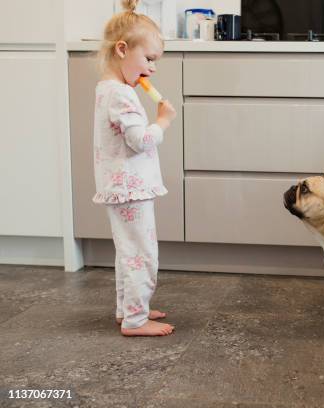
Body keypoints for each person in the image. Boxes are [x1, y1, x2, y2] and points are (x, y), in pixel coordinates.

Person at [94, 0, 176, 336]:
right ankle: (135, 320)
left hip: (119, 186)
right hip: (131, 189)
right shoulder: (122, 96)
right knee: (142, 255)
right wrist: (162, 122)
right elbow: (140, 140)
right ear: (123, 49)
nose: (153, 69)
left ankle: (128, 309)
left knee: (127, 253)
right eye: (149, 59)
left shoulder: (108, 89)